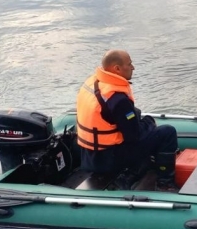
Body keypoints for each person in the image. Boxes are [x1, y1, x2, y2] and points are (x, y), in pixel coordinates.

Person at [76, 49, 178, 189]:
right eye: (129, 64)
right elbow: (133, 137)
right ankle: (165, 183)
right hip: (109, 159)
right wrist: (149, 123)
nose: (133, 67)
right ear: (117, 69)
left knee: (136, 116)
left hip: (90, 156)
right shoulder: (117, 99)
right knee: (167, 132)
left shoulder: (94, 82)